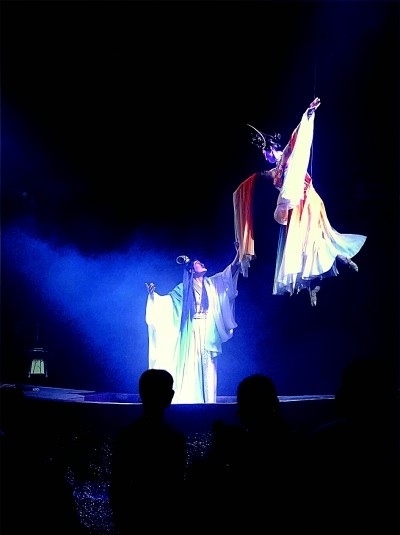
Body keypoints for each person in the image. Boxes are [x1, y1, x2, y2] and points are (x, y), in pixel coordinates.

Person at [234, 97, 367, 305]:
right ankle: (314, 283)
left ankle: (338, 260)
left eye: (265, 152)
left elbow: (295, 139)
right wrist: (240, 191)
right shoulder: (274, 172)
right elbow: (259, 177)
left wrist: (308, 114)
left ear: (271, 149)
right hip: (297, 208)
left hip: (308, 201)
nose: (265, 157)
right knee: (306, 244)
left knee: (314, 238)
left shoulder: (287, 157)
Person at [145, 247, 241, 403]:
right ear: (191, 269)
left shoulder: (212, 284)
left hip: (208, 330)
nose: (202, 263)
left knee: (208, 366)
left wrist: (238, 254)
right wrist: (153, 296)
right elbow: (167, 304)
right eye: (197, 263)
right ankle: (190, 400)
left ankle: (208, 401)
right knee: (191, 364)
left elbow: (230, 273)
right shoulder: (183, 289)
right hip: (191, 331)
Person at [109, 369, 187, 535]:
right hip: (165, 520)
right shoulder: (175, 438)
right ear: (170, 396)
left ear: (141, 393)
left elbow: (117, 485)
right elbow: (177, 485)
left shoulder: (126, 436)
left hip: (134, 518)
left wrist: (123, 519)